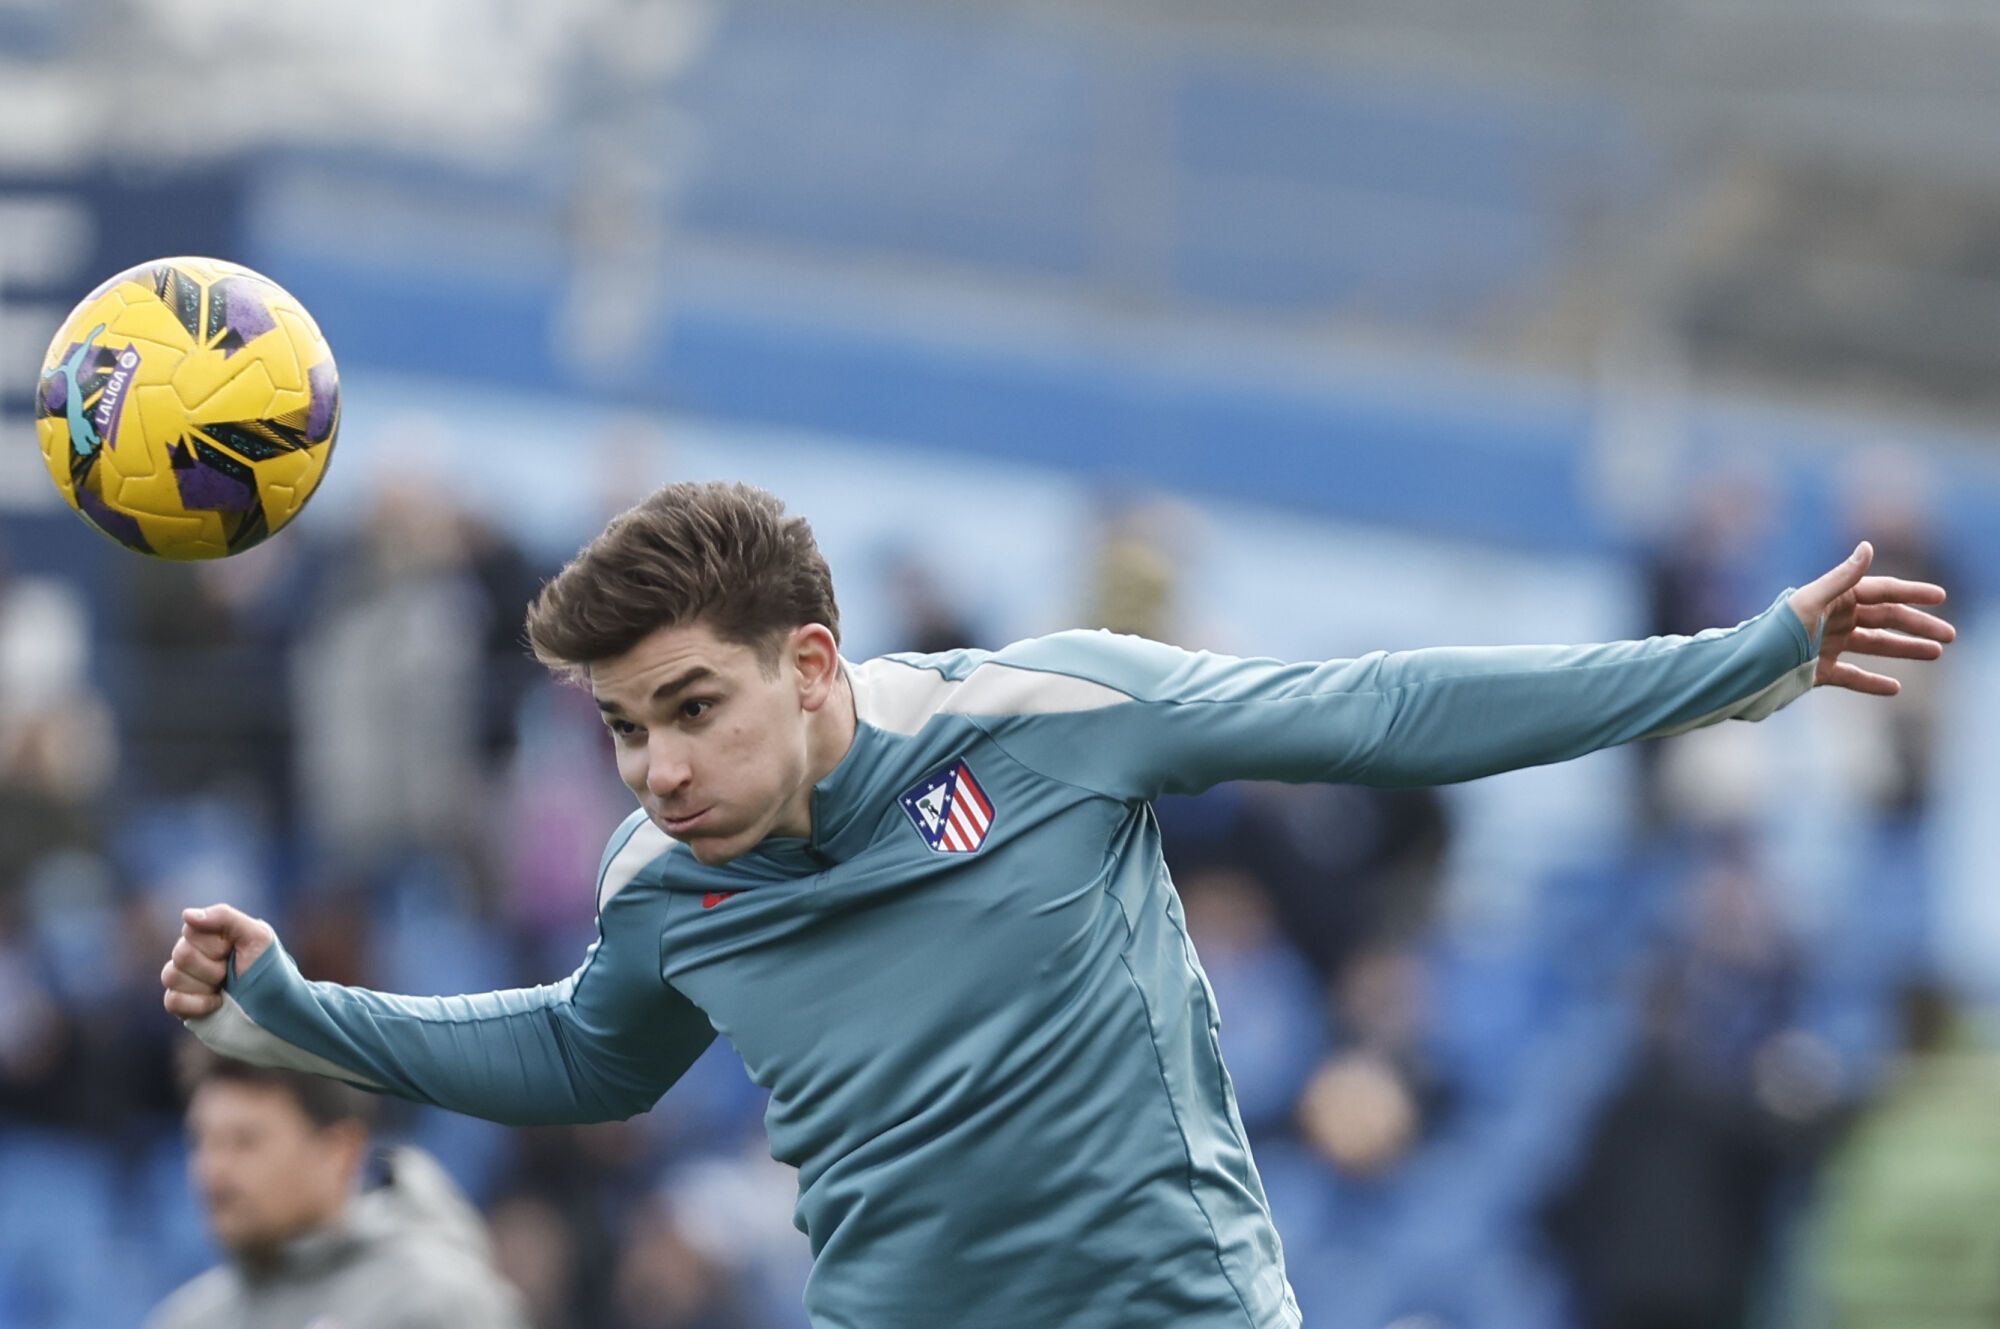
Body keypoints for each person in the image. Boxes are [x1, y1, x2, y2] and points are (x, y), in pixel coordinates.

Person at [159, 481, 1954, 1329]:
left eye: (690, 709)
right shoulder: (664, 883)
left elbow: (1383, 709)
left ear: (809, 658)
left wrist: (1731, 666)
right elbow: (588, 1054)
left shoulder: (1050, 718)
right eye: (623, 728)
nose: (656, 768)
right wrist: (300, 1009)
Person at [147, 1043, 529, 1329]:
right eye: (202, 1141)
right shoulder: (187, 1320)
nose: (213, 1170)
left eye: (246, 1141)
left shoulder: (439, 1303)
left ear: (339, 1152)